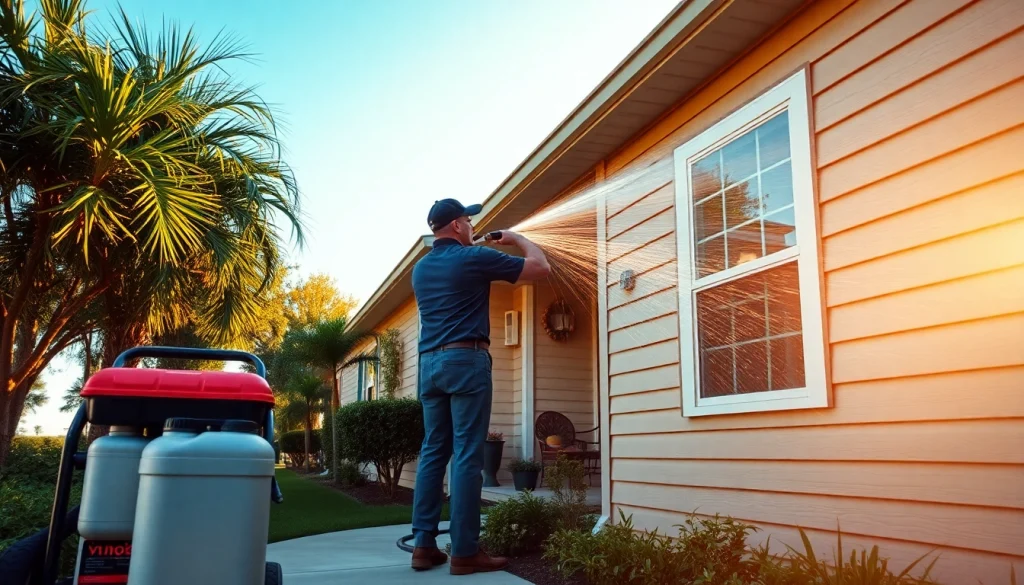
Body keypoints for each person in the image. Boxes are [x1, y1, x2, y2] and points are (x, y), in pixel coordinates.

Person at [409, 198, 550, 575]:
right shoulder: (473, 258)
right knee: (468, 455)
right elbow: (540, 267)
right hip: (466, 360)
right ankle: (465, 551)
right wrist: (517, 238)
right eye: (469, 221)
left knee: (433, 452)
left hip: (429, 366)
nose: (473, 226)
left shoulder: (420, 269)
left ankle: (423, 546)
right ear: (456, 225)